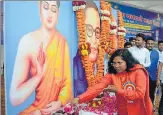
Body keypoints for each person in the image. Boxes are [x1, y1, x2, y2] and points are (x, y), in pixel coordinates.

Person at [9, 1, 73, 115]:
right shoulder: (27, 41)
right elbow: (14, 98)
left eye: (53, 10)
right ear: (39, 9)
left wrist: (59, 102)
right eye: (46, 7)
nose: (50, 14)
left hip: (57, 109)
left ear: (58, 13)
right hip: (37, 110)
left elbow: (67, 84)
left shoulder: (62, 42)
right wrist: (39, 75)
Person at [72, 49, 153, 115]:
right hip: (122, 110)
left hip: (139, 109)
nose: (116, 66)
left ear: (127, 61)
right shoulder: (112, 74)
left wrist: (118, 90)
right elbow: (97, 87)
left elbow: (140, 94)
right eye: (114, 63)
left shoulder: (138, 72)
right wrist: (79, 98)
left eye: (119, 63)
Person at [73, 1, 100, 97]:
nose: (93, 40)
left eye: (97, 31)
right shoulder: (76, 63)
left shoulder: (102, 60)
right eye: (88, 30)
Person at [145, 37, 159, 103]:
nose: (150, 45)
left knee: (151, 94)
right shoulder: (142, 51)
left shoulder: (157, 53)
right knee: (143, 93)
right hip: (143, 76)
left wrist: (158, 78)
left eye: (152, 44)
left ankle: (150, 109)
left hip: (153, 77)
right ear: (145, 44)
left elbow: (159, 66)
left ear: (154, 45)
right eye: (149, 43)